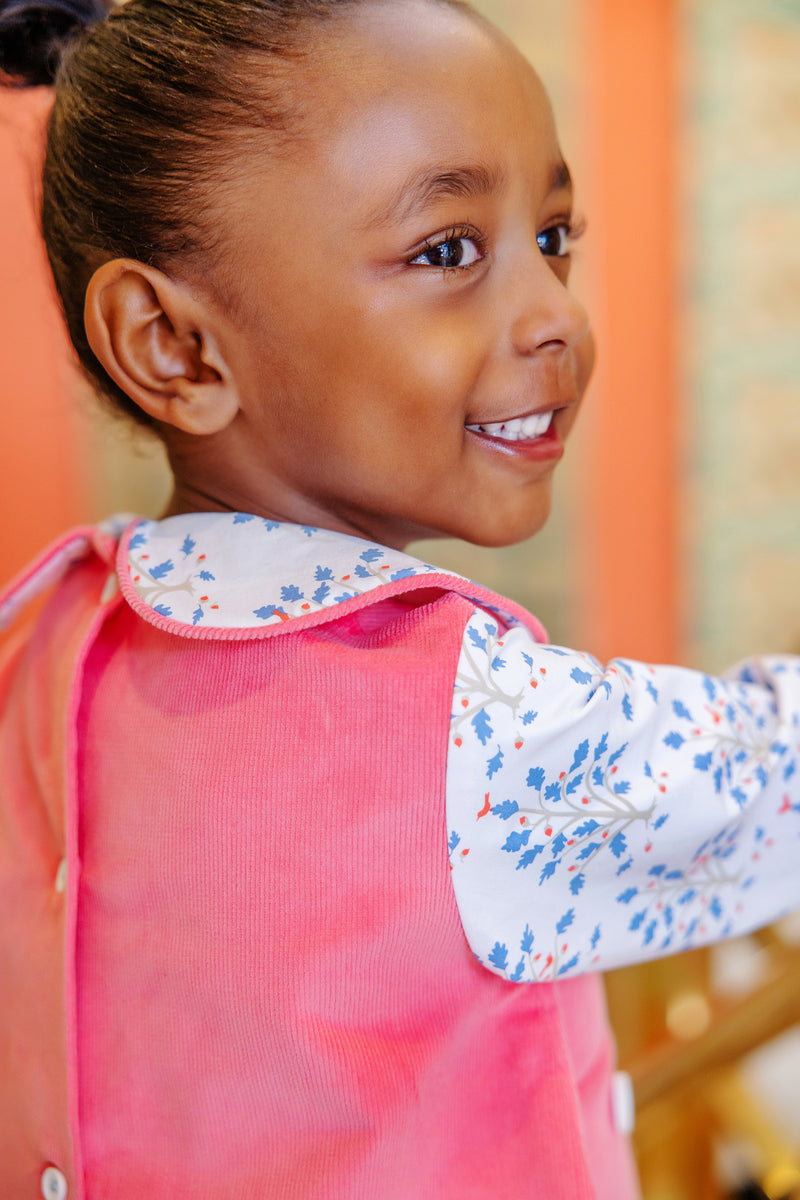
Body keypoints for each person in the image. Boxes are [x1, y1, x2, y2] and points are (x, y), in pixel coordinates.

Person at [0, 0, 798, 1196]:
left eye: (554, 235)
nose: (557, 318)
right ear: (174, 345)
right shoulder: (476, 730)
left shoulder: (39, 632)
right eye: (445, 251)